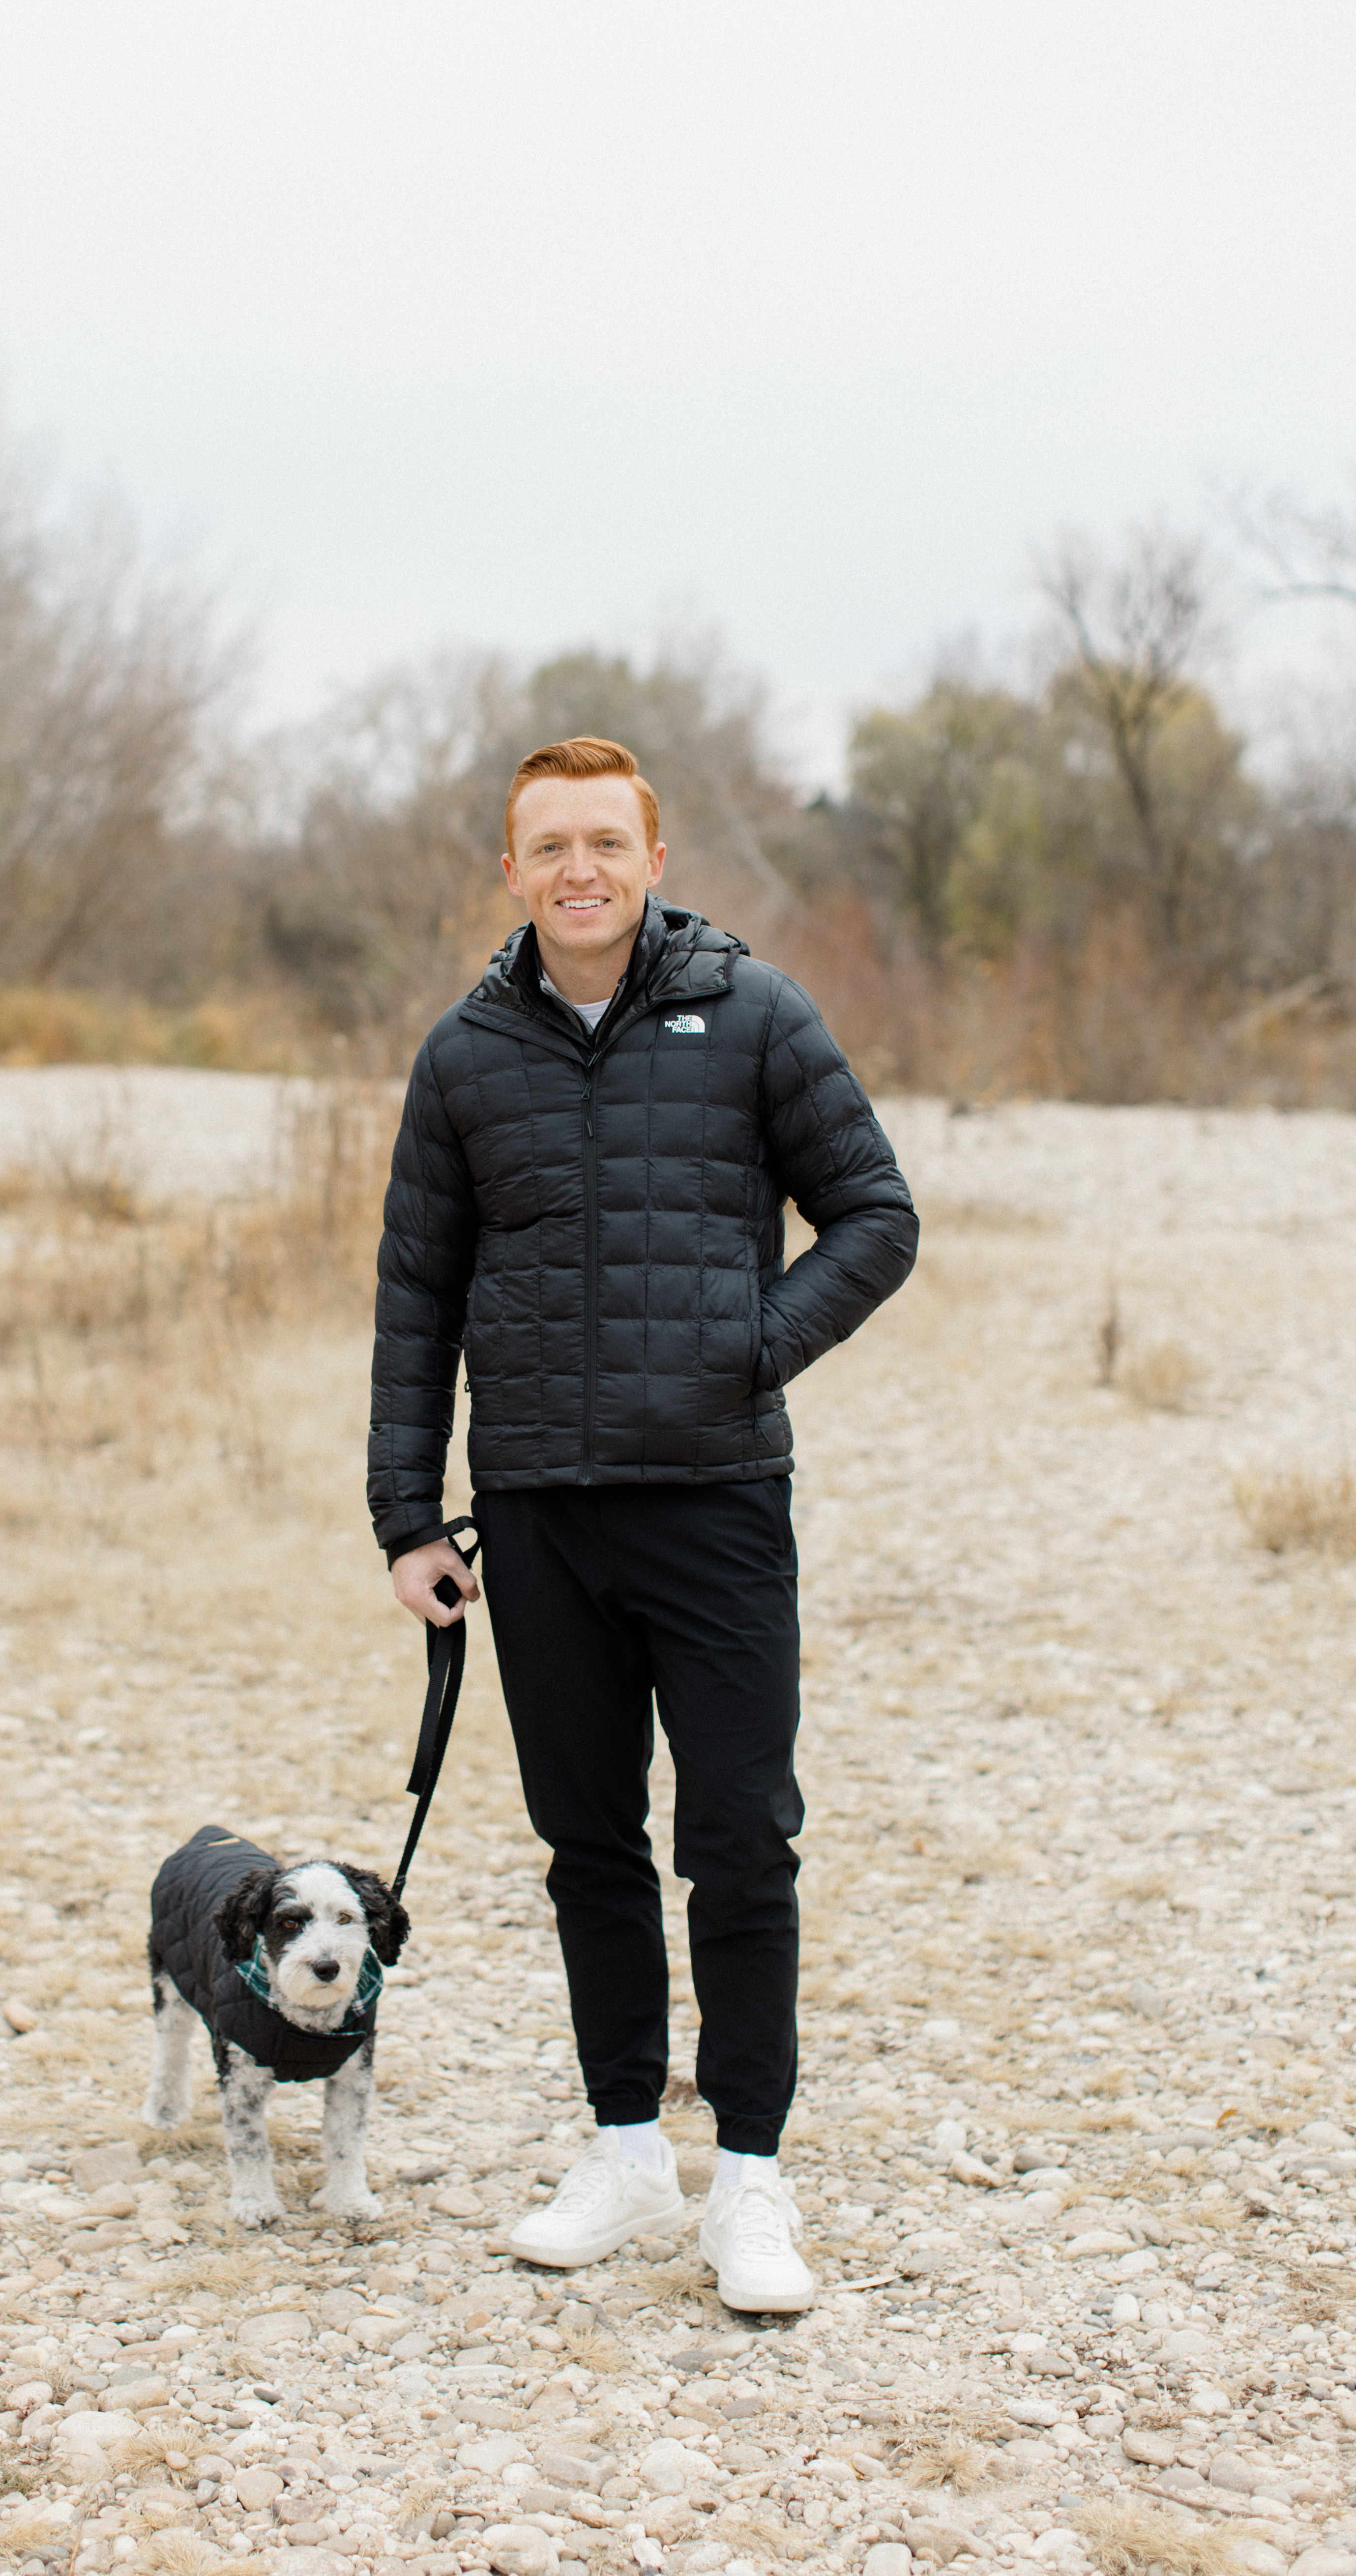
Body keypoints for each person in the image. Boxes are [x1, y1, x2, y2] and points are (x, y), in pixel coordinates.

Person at [368, 736, 917, 2312]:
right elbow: (415, 1297)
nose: (579, 870)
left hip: (717, 1505)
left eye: (606, 841)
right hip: (537, 1516)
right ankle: (623, 2148)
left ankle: (748, 2181)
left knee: (740, 1840)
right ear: (512, 870)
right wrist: (410, 1513)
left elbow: (874, 1217)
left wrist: (752, 1342)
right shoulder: (464, 1055)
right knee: (585, 1845)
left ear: (654, 859)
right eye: (549, 846)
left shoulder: (751, 1014)